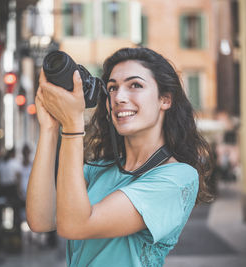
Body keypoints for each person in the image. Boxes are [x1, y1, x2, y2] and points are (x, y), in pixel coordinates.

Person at [26, 47, 212, 266]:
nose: (119, 97)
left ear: (165, 99)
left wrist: (72, 125)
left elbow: (75, 226)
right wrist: (49, 128)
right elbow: (41, 221)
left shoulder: (177, 177)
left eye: (135, 85)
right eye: (112, 88)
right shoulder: (99, 168)